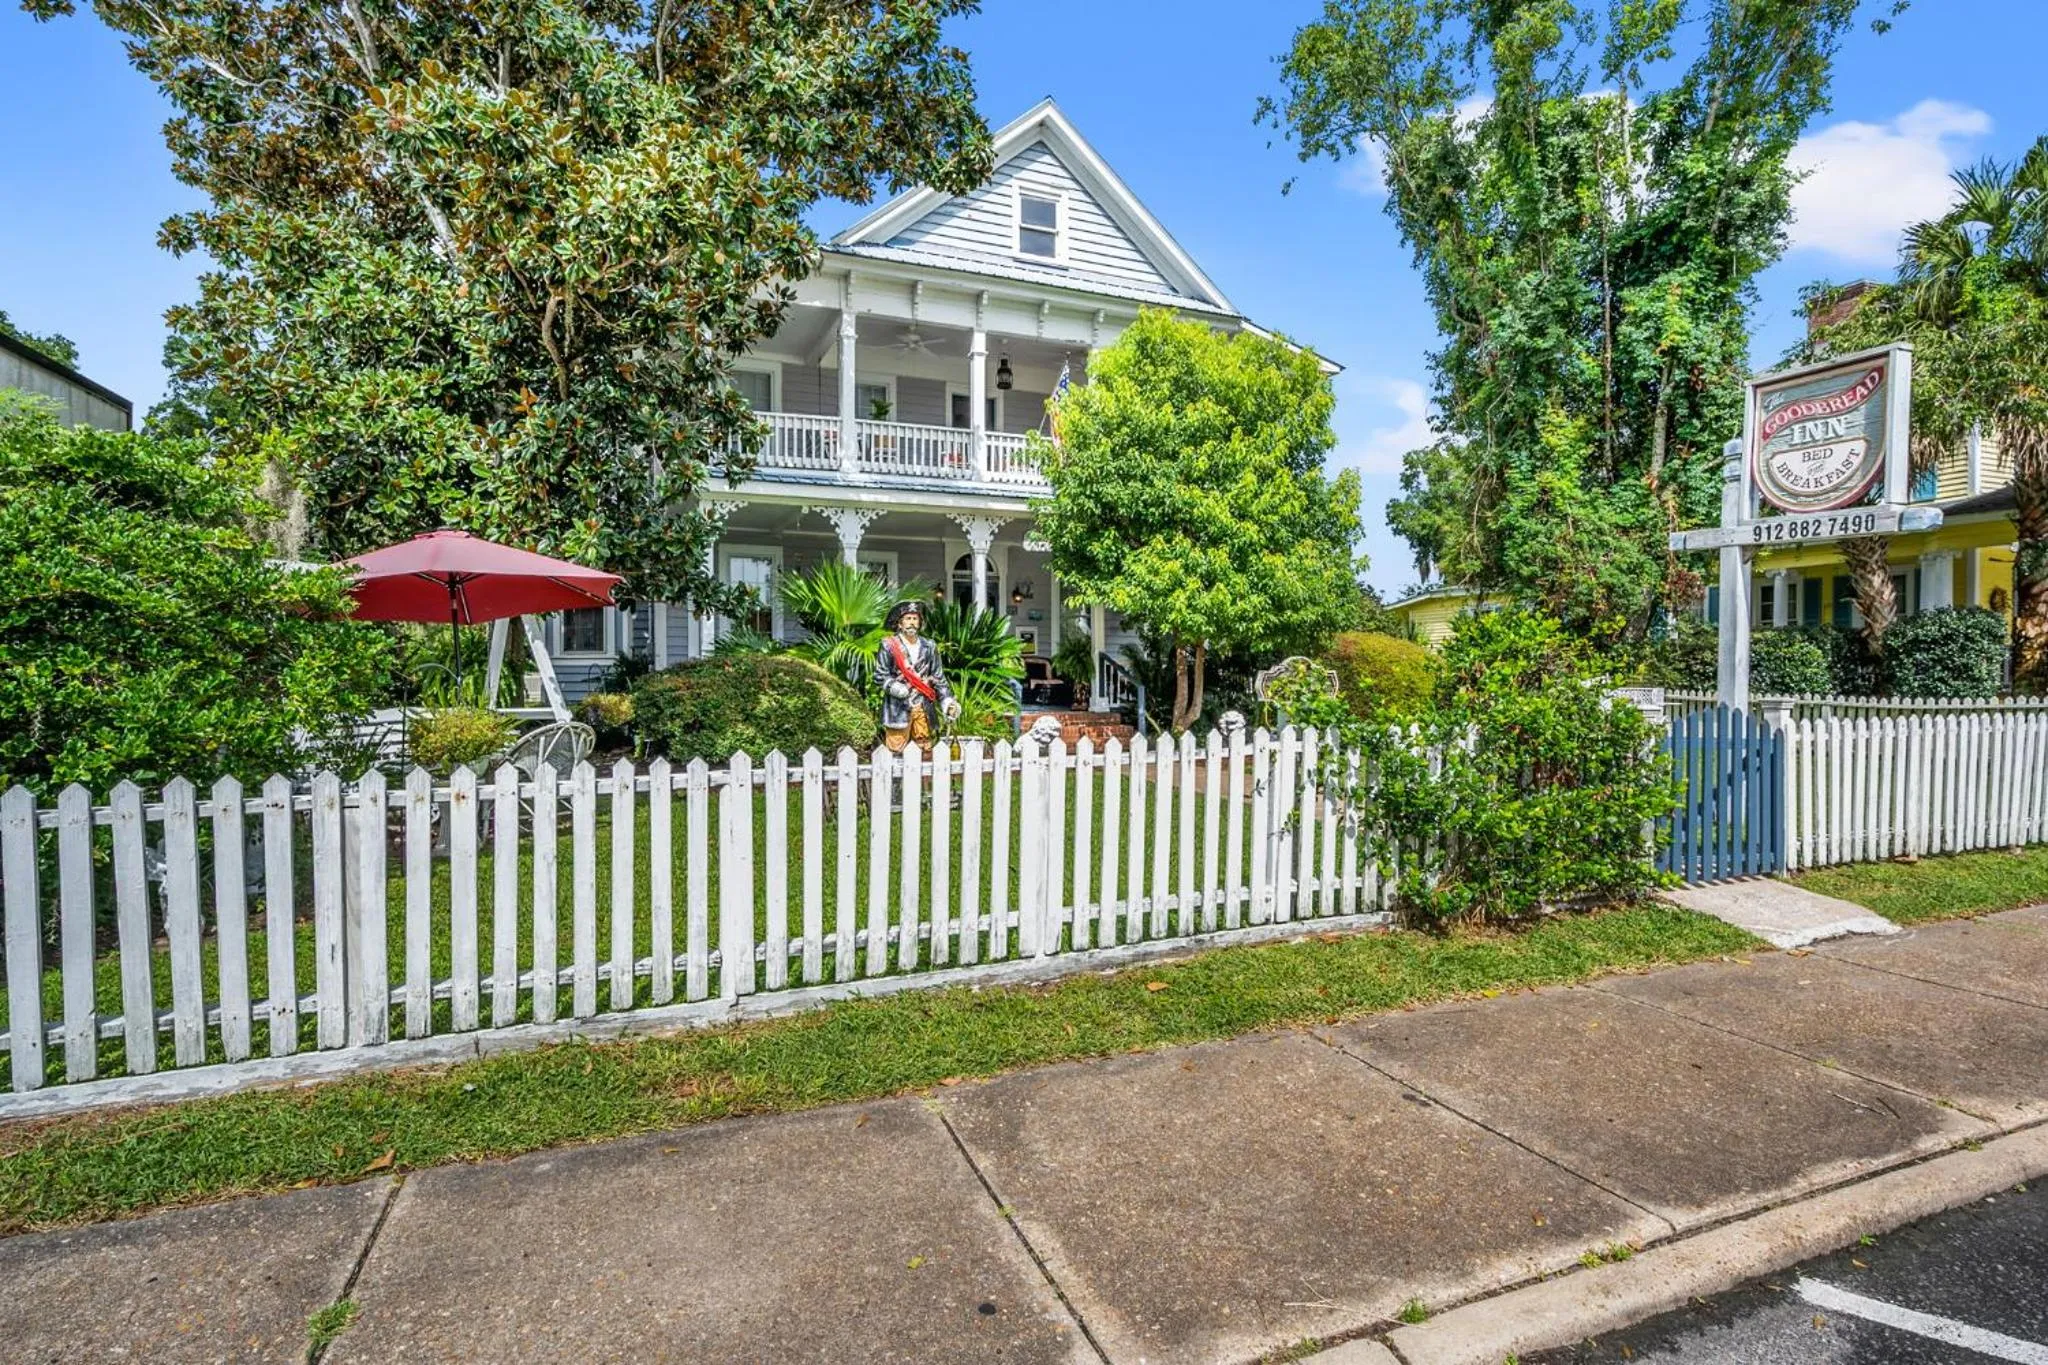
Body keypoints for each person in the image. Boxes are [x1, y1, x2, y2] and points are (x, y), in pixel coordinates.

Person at [873, 599, 959, 752]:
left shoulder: (929, 646)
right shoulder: (889, 645)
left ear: (919, 623)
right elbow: (880, 675)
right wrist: (895, 687)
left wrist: (947, 701)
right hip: (898, 709)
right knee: (896, 750)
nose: (912, 622)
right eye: (908, 619)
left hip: (923, 706)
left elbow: (938, 678)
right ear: (900, 623)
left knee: (924, 750)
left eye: (915, 619)